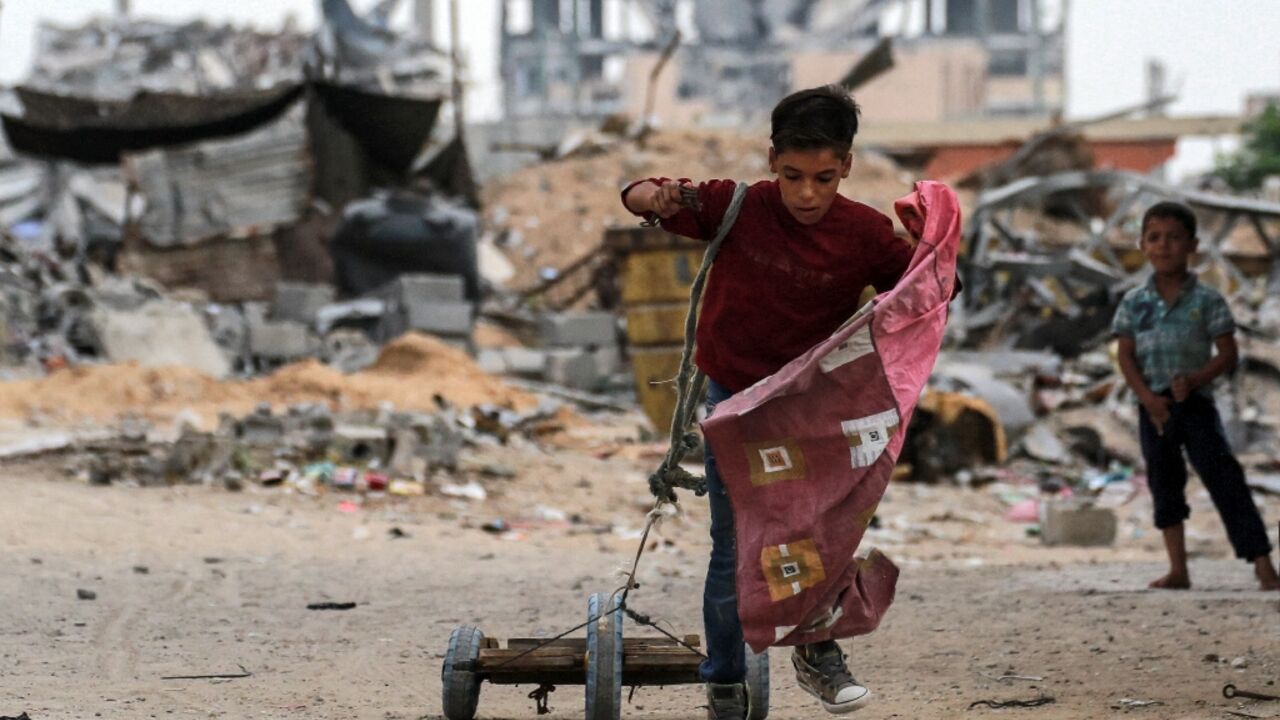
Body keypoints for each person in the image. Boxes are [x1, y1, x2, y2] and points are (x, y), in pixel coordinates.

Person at [620, 85, 914, 717]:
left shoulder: (865, 233)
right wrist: (656, 196)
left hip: (811, 406)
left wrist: (931, 245)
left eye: (824, 178)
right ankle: (726, 679)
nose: (807, 194)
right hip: (735, 404)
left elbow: (929, 289)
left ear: (847, 167)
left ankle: (819, 655)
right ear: (771, 159)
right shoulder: (735, 207)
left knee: (823, 529)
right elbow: (635, 194)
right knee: (736, 541)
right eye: (792, 176)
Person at [1112, 200, 1279, 592]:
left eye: (1174, 238)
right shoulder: (1135, 303)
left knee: (1225, 480)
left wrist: (1197, 378)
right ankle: (1178, 569)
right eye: (1154, 238)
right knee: (1164, 483)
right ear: (1143, 245)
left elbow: (1228, 352)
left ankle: (1263, 565)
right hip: (1153, 407)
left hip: (1196, 405)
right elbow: (1125, 353)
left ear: (1193, 245)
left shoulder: (1207, 301)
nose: (1164, 246)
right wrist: (1147, 399)